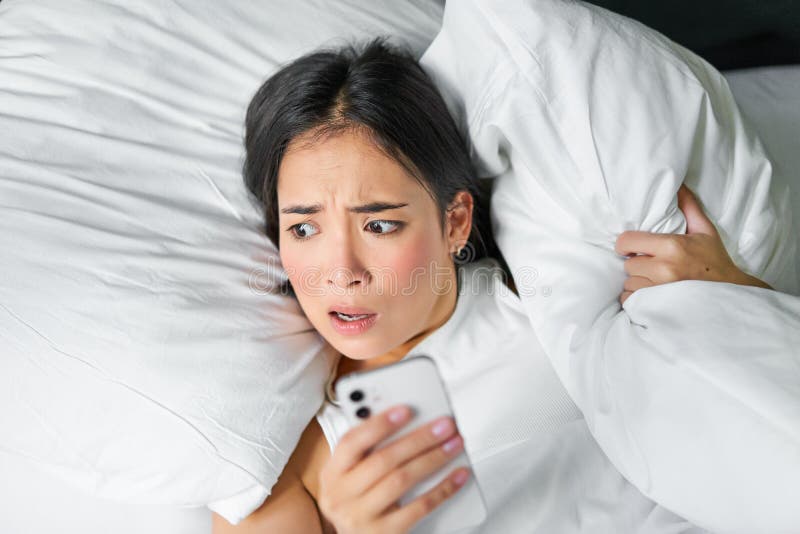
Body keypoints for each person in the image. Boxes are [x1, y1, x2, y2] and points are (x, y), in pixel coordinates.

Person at [213, 36, 770, 534]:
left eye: (379, 224)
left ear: (454, 222)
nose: (342, 270)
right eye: (304, 228)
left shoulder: (551, 300)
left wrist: (732, 303)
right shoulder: (270, 457)